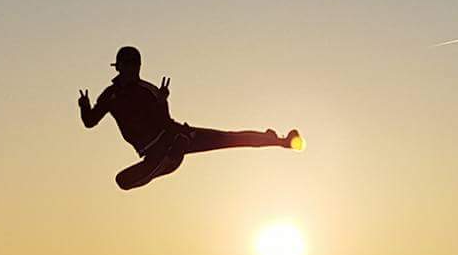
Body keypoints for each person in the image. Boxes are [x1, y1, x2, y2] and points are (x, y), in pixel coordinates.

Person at [78, 46, 303, 190]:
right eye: (127, 67)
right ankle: (167, 158)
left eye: (134, 67)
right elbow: (90, 121)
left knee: (228, 138)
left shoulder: (147, 90)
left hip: (174, 137)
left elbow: (164, 121)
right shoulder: (110, 96)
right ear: (119, 68)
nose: (131, 71)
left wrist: (162, 101)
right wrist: (84, 106)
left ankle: (279, 140)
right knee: (122, 181)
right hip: (157, 151)